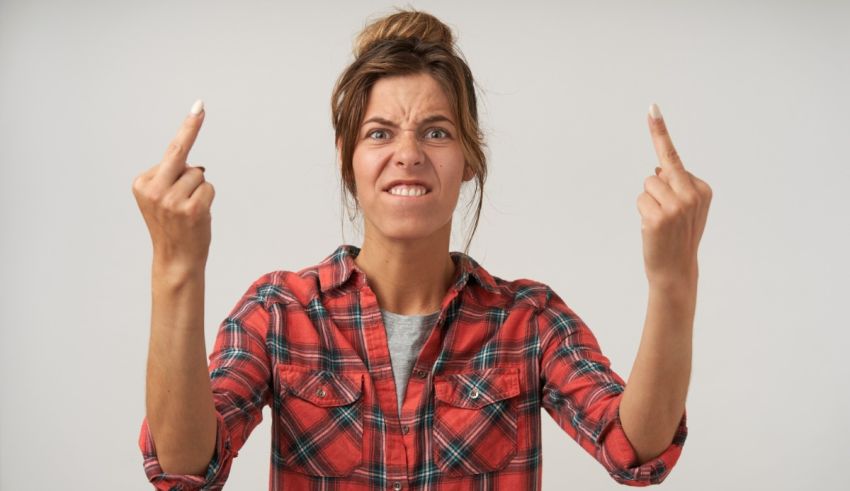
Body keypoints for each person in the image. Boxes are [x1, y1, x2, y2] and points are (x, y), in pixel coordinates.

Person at [132, 8, 711, 490]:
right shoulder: (278, 312)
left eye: (436, 131)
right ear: (347, 157)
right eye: (379, 133)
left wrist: (674, 281)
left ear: (469, 160)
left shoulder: (528, 321)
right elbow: (183, 468)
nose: (407, 154)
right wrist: (175, 269)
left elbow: (635, 449)